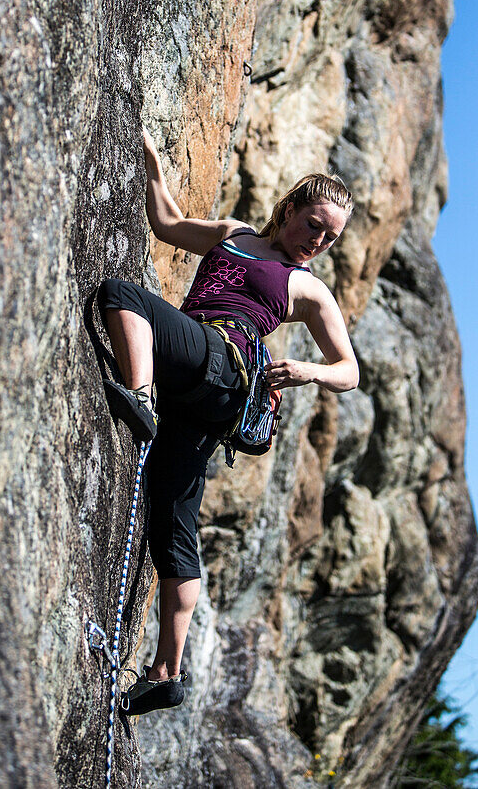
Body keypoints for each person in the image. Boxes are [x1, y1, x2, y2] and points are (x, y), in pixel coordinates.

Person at [96, 129, 359, 716]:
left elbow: (350, 370)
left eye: (331, 237)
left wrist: (309, 371)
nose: (318, 241)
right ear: (289, 208)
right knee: (171, 520)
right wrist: (152, 162)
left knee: (122, 296)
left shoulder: (307, 287)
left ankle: (139, 394)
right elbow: (167, 223)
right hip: (199, 385)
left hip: (225, 364)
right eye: (314, 224)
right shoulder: (234, 234)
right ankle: (167, 670)